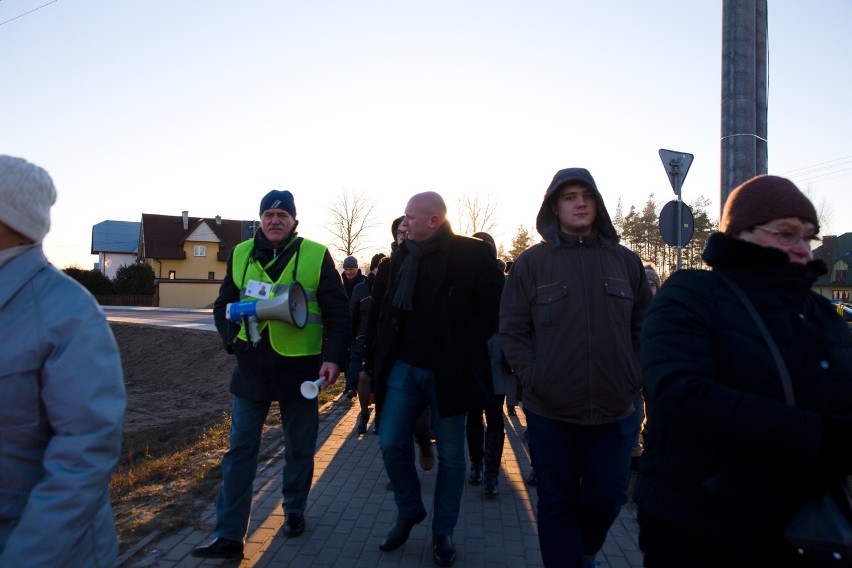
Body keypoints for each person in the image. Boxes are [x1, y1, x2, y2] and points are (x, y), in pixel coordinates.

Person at [634, 175, 852, 567]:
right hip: (700, 528)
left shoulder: (821, 314)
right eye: (786, 234)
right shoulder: (691, 295)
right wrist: (822, 437)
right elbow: (683, 394)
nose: (803, 250)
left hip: (805, 532)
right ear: (740, 234)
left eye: (808, 236)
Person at [500, 167, 652, 568]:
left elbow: (645, 327)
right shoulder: (531, 265)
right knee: (556, 500)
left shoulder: (625, 262)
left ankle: (582, 552)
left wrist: (634, 375)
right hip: (551, 410)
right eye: (569, 196)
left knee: (609, 496)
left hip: (616, 408)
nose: (580, 202)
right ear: (554, 207)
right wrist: (534, 379)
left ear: (597, 204)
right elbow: (513, 331)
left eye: (586, 195)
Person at [193, 190, 350, 560]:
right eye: (269, 214)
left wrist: (333, 359)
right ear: (260, 219)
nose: (275, 220)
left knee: (298, 448)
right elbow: (223, 305)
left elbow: (338, 314)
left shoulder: (315, 254)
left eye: (282, 214)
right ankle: (229, 535)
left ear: (294, 220)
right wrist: (232, 341)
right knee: (239, 452)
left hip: (300, 368)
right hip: (251, 370)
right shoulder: (241, 253)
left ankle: (294, 512)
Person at [363, 192, 503, 566]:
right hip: (403, 369)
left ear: (434, 221)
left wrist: (465, 342)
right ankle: (409, 510)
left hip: (449, 371)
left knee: (453, 457)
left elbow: (494, 304)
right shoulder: (399, 258)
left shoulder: (471, 254)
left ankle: (443, 533)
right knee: (391, 441)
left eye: (410, 217)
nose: (403, 223)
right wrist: (367, 362)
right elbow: (380, 314)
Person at [0, 155, 127, 566]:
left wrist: (25, 558)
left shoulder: (70, 313)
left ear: (11, 220)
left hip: (44, 548)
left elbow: (86, 453)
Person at [465, 231, 510, 498]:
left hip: (496, 356)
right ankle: (477, 464)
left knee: (494, 413)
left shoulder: (505, 283)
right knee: (472, 414)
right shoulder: (464, 280)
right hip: (472, 355)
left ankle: (492, 473)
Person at [352, 252, 385, 433]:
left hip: (385, 342)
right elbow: (352, 315)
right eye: (378, 269)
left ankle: (380, 415)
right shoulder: (361, 289)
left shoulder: (390, 286)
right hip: (364, 341)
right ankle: (364, 412)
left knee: (382, 381)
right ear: (372, 270)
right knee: (363, 378)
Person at [342, 255, 366, 398]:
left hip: (358, 325)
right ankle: (349, 385)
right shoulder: (339, 282)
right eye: (346, 269)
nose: (348, 272)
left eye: (351, 269)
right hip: (344, 322)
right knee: (347, 356)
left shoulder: (362, 283)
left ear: (357, 269)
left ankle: (352, 386)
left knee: (354, 356)